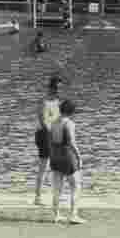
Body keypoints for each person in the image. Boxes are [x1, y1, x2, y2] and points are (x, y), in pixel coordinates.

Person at [49, 99, 85, 224]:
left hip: (54, 155)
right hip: (67, 156)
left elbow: (51, 141)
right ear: (72, 112)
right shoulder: (69, 123)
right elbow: (71, 142)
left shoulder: (53, 123)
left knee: (57, 188)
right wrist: (79, 157)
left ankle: (56, 215)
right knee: (76, 186)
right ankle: (73, 215)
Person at [34, 76, 63, 206]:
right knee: (44, 167)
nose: (58, 91)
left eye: (59, 89)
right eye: (56, 89)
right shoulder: (44, 102)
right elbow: (43, 121)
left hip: (54, 134)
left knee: (56, 167)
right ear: (50, 88)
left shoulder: (57, 101)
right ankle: (38, 197)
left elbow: (58, 119)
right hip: (44, 135)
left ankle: (55, 195)